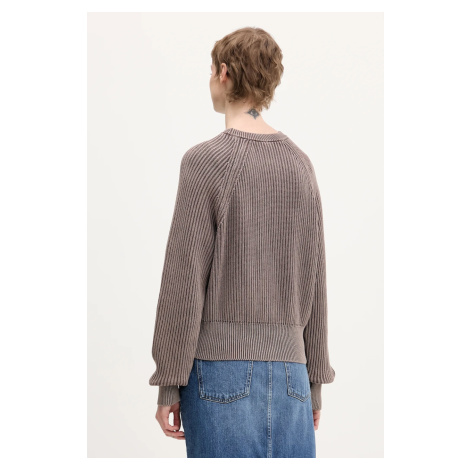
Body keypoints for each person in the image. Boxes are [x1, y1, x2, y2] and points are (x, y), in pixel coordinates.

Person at [149, 26, 335, 458]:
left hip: (219, 376)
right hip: (292, 378)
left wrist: (168, 382)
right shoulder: (300, 165)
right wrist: (314, 383)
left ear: (224, 72)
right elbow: (316, 279)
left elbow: (183, 279)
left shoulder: (205, 161)